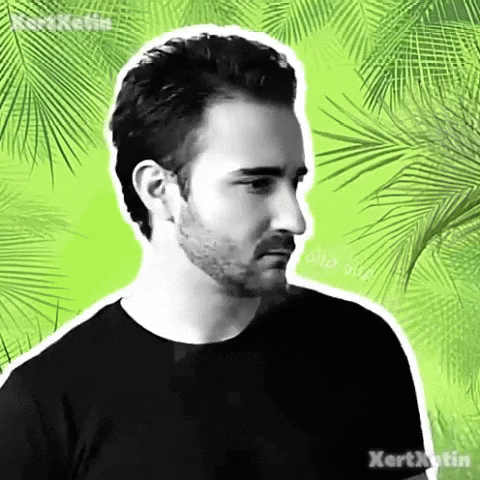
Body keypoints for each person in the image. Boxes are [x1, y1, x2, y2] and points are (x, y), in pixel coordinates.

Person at [0, 26, 432, 480]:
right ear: (158, 188)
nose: (295, 220)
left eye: (294, 182)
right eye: (257, 183)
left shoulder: (362, 347)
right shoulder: (43, 406)